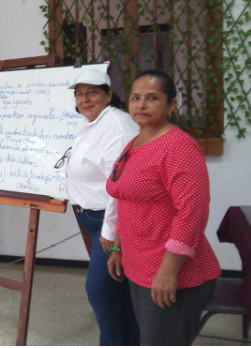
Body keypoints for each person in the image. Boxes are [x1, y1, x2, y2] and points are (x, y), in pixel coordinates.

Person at [106, 70, 221, 345]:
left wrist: (168, 271)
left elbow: (192, 213)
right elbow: (127, 198)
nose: (141, 104)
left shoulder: (179, 147)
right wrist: (117, 246)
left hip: (173, 272)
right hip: (138, 263)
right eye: (135, 97)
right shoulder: (135, 142)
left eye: (152, 98)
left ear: (172, 104)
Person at [63, 69, 140, 345]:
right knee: (118, 290)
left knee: (99, 290)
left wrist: (110, 231)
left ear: (108, 95)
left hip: (109, 224)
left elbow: (121, 185)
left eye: (92, 92)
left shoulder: (116, 126)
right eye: (79, 94)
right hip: (94, 220)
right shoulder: (92, 124)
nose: (85, 99)